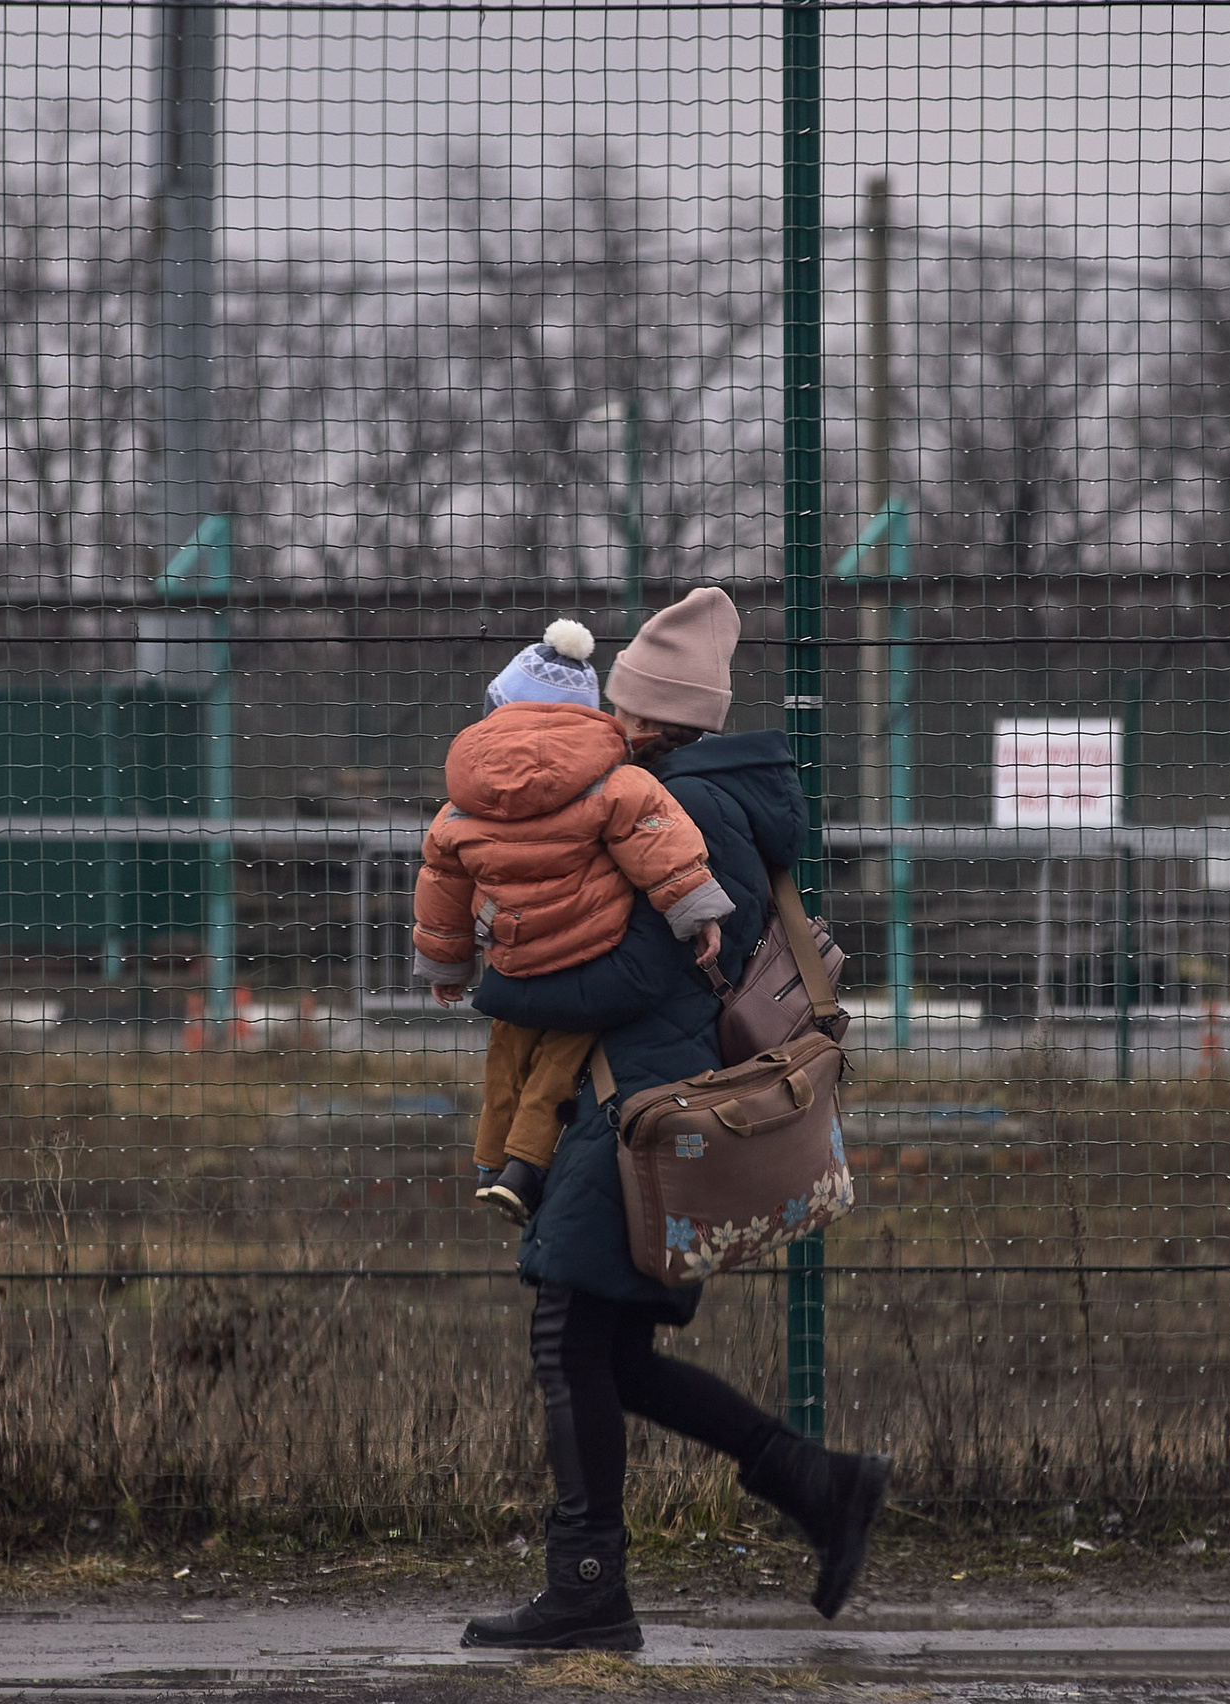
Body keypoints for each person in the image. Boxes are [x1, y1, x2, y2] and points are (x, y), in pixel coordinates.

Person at [457, 586, 891, 1653]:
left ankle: (589, 1590)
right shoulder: (715, 794)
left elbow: (634, 976)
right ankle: (818, 1485)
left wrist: (495, 979)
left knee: (569, 1342)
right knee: (615, 1357)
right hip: (643, 1100)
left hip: (638, 1109)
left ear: (644, 716)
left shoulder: (677, 809)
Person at [410, 618, 731, 1226]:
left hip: (511, 954)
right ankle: (524, 1170)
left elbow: (442, 879)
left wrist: (446, 964)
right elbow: (658, 844)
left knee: (507, 1049)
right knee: (558, 1061)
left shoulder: (461, 801)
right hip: (588, 948)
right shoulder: (617, 781)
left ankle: (486, 1161)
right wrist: (698, 914)